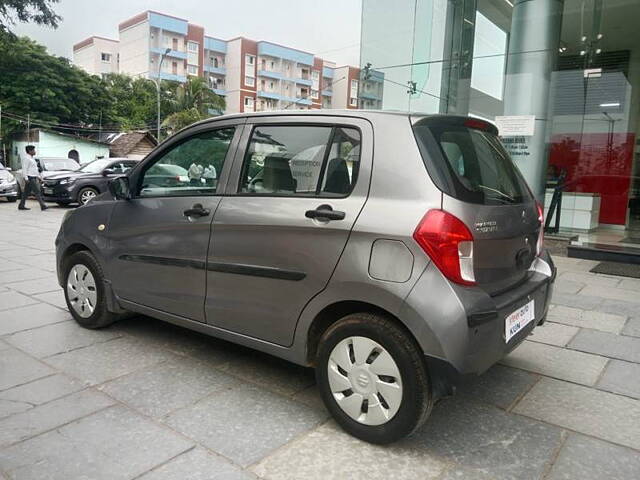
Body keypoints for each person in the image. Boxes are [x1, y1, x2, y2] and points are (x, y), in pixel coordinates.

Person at [18, 145, 47, 211]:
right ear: (30, 151)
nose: (35, 151)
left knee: (26, 193)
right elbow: (24, 169)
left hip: (33, 177)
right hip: (30, 178)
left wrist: (39, 177)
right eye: (33, 150)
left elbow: (34, 170)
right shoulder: (26, 158)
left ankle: (21, 205)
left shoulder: (32, 159)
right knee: (37, 191)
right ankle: (43, 205)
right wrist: (26, 178)